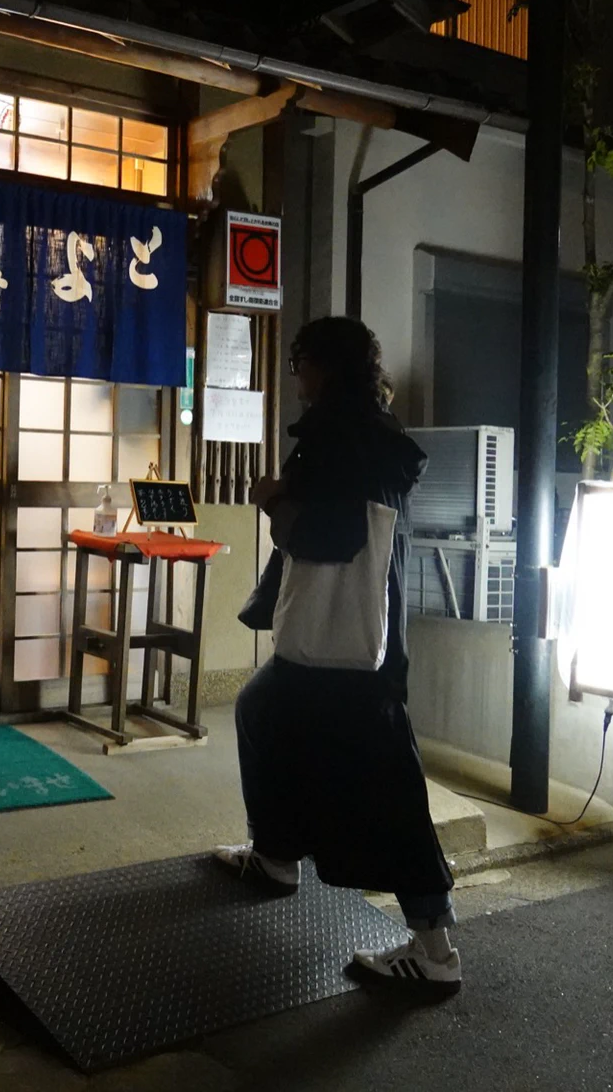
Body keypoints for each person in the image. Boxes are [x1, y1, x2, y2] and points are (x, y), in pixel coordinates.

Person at [213, 316, 460, 987]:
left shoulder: (341, 433)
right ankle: (277, 855)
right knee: (265, 711)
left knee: (389, 783)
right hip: (363, 635)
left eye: (299, 362)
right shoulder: (370, 428)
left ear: (324, 365)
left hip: (346, 646)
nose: (295, 375)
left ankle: (435, 950)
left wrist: (273, 500)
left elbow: (332, 536)